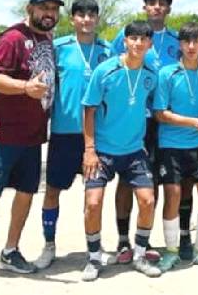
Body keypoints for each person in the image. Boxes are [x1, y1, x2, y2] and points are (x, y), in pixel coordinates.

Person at [0, 0, 63, 286]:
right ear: (30, 8)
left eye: (54, 8)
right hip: (2, 132)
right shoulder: (12, 38)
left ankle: (11, 252)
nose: (49, 13)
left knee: (26, 192)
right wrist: (25, 88)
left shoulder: (46, 40)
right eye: (44, 7)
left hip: (32, 135)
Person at [34, 0, 115, 269]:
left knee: (93, 196)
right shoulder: (57, 48)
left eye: (92, 15)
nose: (86, 20)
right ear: (72, 19)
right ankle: (49, 245)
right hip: (63, 133)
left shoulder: (107, 50)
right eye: (81, 15)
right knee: (52, 191)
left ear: (97, 19)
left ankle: (95, 247)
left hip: (96, 136)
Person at [80, 21, 162, 280]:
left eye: (143, 39)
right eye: (133, 38)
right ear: (124, 41)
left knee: (148, 200)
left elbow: (157, 108)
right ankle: (94, 258)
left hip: (134, 151)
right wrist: (89, 150)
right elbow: (89, 109)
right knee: (93, 203)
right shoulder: (105, 70)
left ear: (150, 44)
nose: (138, 43)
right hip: (102, 151)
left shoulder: (151, 75)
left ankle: (139, 254)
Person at [111, 0, 178, 263]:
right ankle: (122, 239)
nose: (157, 7)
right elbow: (113, 71)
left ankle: (144, 237)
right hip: (133, 118)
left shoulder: (177, 40)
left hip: (164, 120)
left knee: (153, 181)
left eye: (162, 3)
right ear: (144, 7)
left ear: (169, 8)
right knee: (126, 180)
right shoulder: (126, 36)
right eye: (152, 2)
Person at [153, 22, 198, 272]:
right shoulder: (167, 73)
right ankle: (171, 251)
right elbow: (160, 113)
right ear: (180, 44)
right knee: (172, 194)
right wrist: (193, 122)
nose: (191, 46)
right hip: (170, 144)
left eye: (197, 41)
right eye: (186, 41)